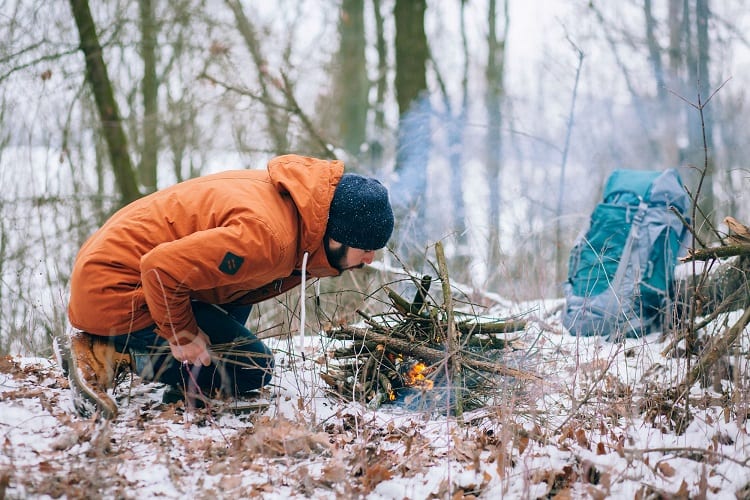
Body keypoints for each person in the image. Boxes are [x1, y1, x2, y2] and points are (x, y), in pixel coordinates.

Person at [63, 154, 394, 419]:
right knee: (253, 369)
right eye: (365, 248)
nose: (369, 259)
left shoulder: (296, 206)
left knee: (244, 288)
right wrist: (183, 335)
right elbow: (160, 269)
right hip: (114, 289)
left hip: (121, 272)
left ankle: (187, 383)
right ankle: (110, 354)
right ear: (337, 235)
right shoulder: (269, 239)